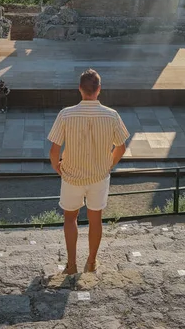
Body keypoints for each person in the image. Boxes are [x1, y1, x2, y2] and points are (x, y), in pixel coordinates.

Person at [48, 68, 129, 275]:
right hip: (99, 177)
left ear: (79, 89)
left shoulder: (66, 114)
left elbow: (54, 150)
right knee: (95, 219)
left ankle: (72, 264)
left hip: (72, 176)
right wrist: (108, 165)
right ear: (99, 89)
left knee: (70, 219)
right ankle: (91, 262)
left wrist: (58, 167)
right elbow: (121, 147)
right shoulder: (112, 115)